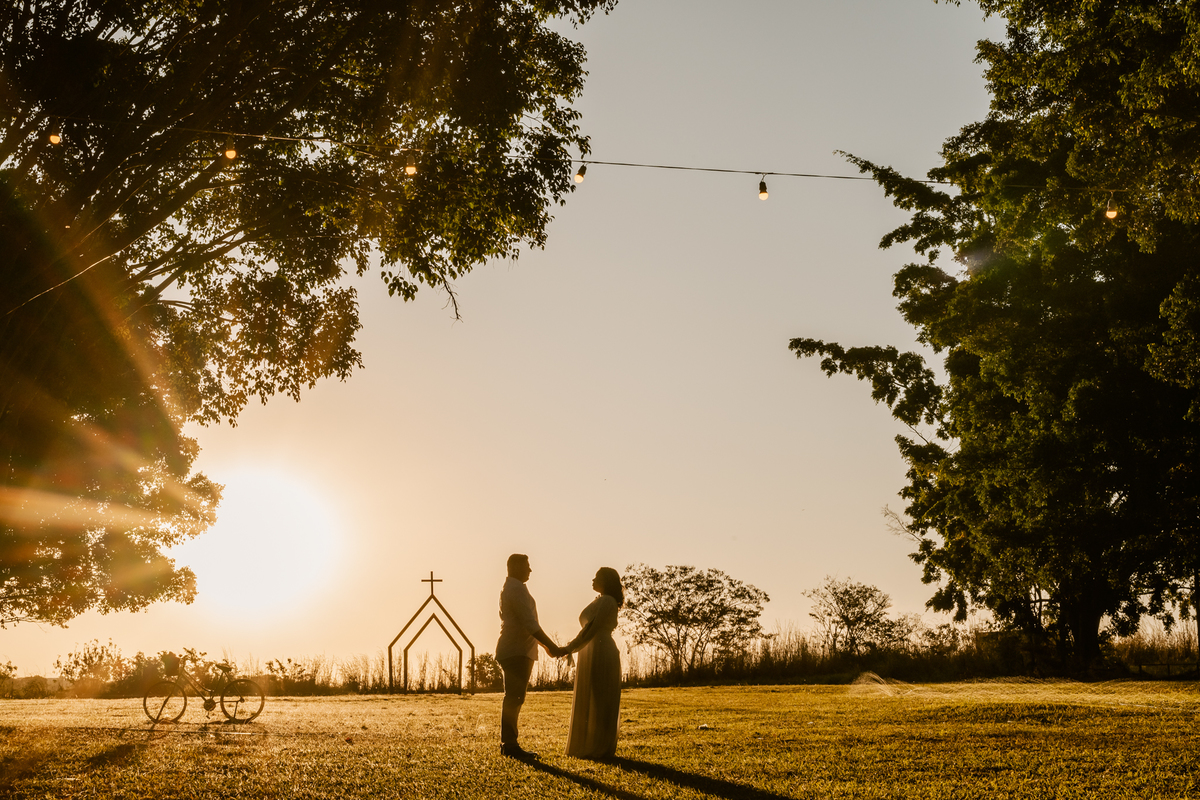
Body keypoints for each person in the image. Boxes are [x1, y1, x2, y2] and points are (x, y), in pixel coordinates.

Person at [496, 553, 561, 759]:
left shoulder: (514, 588)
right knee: (514, 697)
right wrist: (552, 646)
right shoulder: (515, 589)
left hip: (519, 649)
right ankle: (509, 744)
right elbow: (529, 623)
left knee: (516, 697)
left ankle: (509, 743)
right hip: (516, 649)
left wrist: (545, 646)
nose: (530, 570)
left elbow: (528, 623)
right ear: (515, 567)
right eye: (527, 566)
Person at [560, 567, 624, 759]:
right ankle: (587, 743)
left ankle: (597, 746)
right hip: (591, 649)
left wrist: (570, 647)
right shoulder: (601, 600)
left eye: (597, 577)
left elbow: (591, 628)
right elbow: (589, 629)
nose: (593, 580)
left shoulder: (607, 601)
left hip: (600, 650)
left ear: (606, 581)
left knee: (600, 697)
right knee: (592, 695)